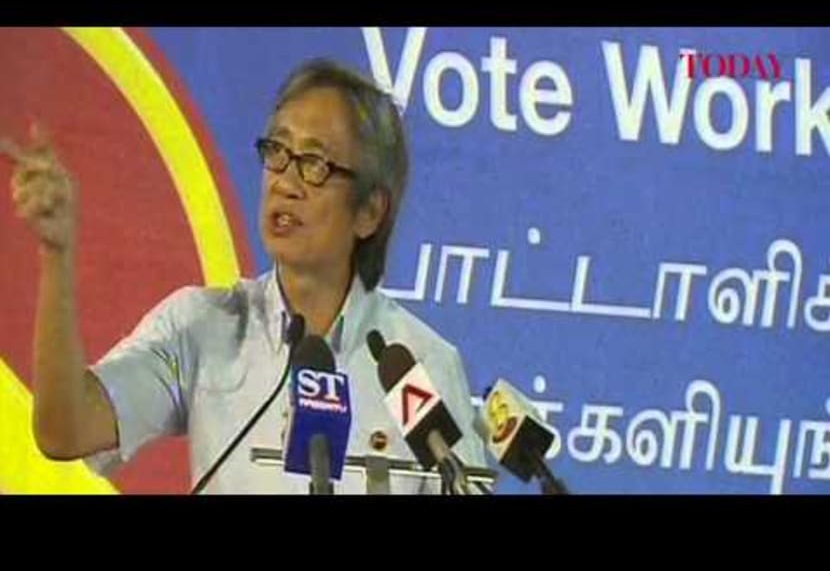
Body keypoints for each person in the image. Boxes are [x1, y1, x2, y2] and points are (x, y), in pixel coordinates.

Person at [1, 58, 487, 494]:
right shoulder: (204, 327)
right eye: (277, 151)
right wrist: (57, 254)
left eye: (314, 162)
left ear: (369, 212)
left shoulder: (417, 366)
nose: (285, 182)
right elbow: (65, 430)